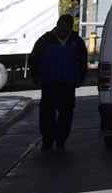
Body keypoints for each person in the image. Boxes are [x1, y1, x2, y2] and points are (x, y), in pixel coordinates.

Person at [28, 14, 87, 151]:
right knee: (47, 112)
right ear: (57, 25)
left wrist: (80, 77)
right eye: (61, 26)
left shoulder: (76, 41)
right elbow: (34, 58)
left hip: (68, 83)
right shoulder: (46, 40)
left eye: (66, 27)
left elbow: (83, 61)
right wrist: (36, 75)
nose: (63, 29)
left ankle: (61, 140)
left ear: (70, 28)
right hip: (49, 82)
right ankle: (47, 140)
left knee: (66, 112)